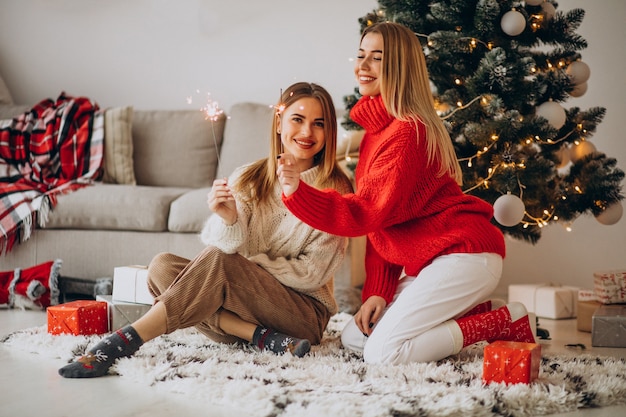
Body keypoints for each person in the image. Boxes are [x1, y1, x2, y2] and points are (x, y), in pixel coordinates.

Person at [277, 22, 536, 365]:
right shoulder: (377, 132)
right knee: (355, 337)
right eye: (360, 55)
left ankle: (497, 323)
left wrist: (297, 192)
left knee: (383, 354)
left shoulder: (408, 132)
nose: (362, 66)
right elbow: (384, 226)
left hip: (464, 255)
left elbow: (366, 212)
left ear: (398, 66)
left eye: (377, 58)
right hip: (429, 263)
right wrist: (378, 293)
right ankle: (479, 312)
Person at [59, 82, 353, 378]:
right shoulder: (250, 177)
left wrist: (244, 269)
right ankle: (259, 337)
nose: (306, 133)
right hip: (248, 307)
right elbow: (220, 247)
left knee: (219, 265)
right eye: (297, 120)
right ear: (279, 123)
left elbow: (311, 274)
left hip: (302, 315)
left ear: (329, 132)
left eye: (319, 124)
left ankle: (122, 341)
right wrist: (229, 220)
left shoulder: (336, 191)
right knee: (161, 268)